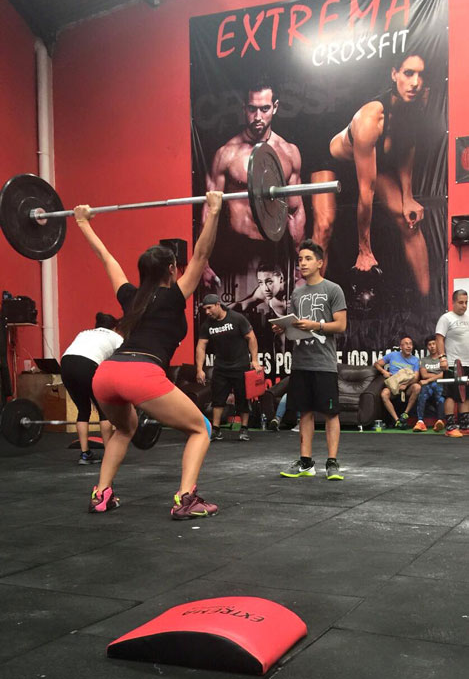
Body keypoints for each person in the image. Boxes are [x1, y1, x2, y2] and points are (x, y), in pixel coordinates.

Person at [73, 190, 223, 519]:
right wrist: (213, 211)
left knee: (124, 429)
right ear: (171, 269)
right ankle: (186, 499)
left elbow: (107, 259)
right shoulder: (175, 295)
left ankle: (101, 494)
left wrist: (82, 222)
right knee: (200, 429)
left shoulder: (130, 295)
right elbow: (201, 254)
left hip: (106, 374)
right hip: (141, 374)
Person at [329, 51, 430, 295]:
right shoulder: (371, 118)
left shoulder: (416, 104)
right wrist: (364, 249)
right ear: (394, 74)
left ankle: (429, 300)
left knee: (409, 220)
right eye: (408, 73)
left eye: (420, 75)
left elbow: (407, 147)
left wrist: (408, 197)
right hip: (336, 162)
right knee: (323, 225)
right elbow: (367, 192)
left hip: (376, 162)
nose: (415, 82)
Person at [201, 76, 306, 299]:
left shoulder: (289, 152)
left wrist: (300, 264)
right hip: (235, 253)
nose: (258, 117)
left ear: (275, 107)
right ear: (244, 108)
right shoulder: (226, 154)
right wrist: (203, 262)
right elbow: (209, 210)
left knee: (278, 317)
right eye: (252, 109)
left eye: (264, 109)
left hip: (275, 253)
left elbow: (295, 211)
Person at [272, 240, 347, 480]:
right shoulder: (297, 293)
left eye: (307, 259)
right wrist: (283, 328)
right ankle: (306, 462)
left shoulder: (333, 289)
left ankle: (332, 462)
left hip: (324, 362)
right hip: (301, 362)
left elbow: (341, 325)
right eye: (300, 260)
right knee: (304, 412)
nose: (302, 263)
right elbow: (295, 326)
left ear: (320, 263)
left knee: (331, 413)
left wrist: (316, 325)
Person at [196, 294, 261, 442]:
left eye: (209, 308)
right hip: (221, 367)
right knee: (217, 399)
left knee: (243, 399)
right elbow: (201, 346)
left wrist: (255, 360)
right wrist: (199, 369)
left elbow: (251, 337)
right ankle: (216, 429)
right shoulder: (207, 324)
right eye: (205, 309)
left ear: (218, 304)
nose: (207, 312)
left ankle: (244, 429)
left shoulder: (237, 318)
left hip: (240, 366)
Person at [61, 312, 123, 463]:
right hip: (87, 365)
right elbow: (122, 361)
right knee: (104, 411)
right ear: (114, 327)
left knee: (83, 410)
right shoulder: (116, 337)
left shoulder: (83, 333)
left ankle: (85, 454)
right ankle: (109, 454)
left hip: (66, 364)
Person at [435, 289, 469, 437]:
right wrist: (442, 357)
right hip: (452, 363)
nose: (464, 305)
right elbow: (439, 338)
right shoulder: (446, 318)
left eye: (466, 302)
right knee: (451, 395)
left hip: (467, 362)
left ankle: (464, 426)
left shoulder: (468, 317)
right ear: (453, 302)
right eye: (461, 302)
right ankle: (450, 427)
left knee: (465, 395)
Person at [374, 336, 421, 429]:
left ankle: (405, 414)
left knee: (417, 387)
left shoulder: (415, 360)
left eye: (410, 344)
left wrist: (406, 385)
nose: (409, 346)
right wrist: (384, 372)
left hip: (407, 386)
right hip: (394, 386)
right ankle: (397, 420)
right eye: (406, 344)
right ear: (401, 346)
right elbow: (376, 364)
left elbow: (416, 377)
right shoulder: (393, 355)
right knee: (384, 394)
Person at [413, 334, 445, 432]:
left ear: (438, 345)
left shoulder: (443, 359)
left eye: (434, 344)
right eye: (429, 344)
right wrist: (436, 375)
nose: (432, 346)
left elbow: (444, 374)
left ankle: (440, 421)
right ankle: (420, 422)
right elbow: (424, 375)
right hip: (428, 385)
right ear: (427, 347)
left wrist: (428, 379)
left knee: (440, 393)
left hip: (440, 384)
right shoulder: (424, 360)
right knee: (422, 393)